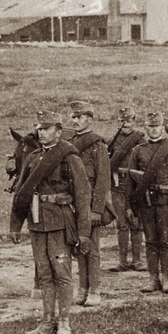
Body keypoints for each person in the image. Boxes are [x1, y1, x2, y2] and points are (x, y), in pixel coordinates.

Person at [12, 110, 92, 334]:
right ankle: (47, 321)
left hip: (60, 223)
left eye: (46, 129)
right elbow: (21, 192)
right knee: (45, 274)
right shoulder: (32, 158)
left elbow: (83, 196)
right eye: (39, 129)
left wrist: (84, 232)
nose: (41, 133)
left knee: (62, 273)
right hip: (37, 223)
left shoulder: (69, 158)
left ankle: (64, 321)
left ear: (58, 132)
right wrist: (15, 224)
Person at [125, 110, 168, 294]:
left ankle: (166, 279)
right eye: (150, 127)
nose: (153, 130)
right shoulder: (138, 151)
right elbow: (129, 181)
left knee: (165, 242)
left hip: (166, 202)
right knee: (150, 242)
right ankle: (153, 279)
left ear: (162, 127)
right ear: (145, 128)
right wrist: (129, 206)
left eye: (157, 126)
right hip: (146, 202)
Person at [64, 101, 112, 307]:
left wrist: (96, 210)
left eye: (79, 117)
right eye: (73, 117)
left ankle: (95, 290)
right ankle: (82, 288)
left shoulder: (97, 145)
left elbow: (103, 180)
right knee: (78, 246)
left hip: (90, 205)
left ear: (89, 119)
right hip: (73, 204)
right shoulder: (69, 143)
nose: (74, 121)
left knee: (91, 249)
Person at [107, 107, 146, 274]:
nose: (125, 124)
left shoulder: (140, 140)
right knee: (121, 224)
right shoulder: (113, 141)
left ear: (134, 121)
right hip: (118, 184)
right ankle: (122, 261)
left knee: (136, 223)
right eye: (122, 121)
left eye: (128, 121)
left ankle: (137, 260)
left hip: (135, 185)